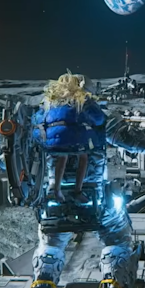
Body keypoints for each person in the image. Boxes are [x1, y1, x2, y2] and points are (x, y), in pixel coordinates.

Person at [25, 73, 145, 288]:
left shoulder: (41, 119)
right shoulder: (96, 117)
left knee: (50, 245)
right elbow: (131, 138)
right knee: (118, 241)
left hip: (54, 202)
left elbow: (16, 153)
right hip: (96, 200)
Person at [32, 72, 104, 204]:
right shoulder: (81, 98)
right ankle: (78, 191)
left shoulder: (50, 99)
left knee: (62, 156)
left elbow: (37, 118)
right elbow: (99, 119)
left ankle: (57, 190)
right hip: (76, 140)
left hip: (53, 143)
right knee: (83, 157)